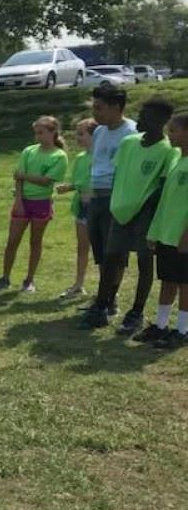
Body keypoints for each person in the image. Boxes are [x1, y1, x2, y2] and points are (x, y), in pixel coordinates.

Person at [84, 98, 179, 335]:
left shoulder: (168, 151)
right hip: (119, 211)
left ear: (160, 121)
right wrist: (118, 201)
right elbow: (119, 174)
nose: (139, 119)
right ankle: (102, 304)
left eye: (145, 115)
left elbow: (161, 185)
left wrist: (144, 209)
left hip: (144, 214)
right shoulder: (129, 143)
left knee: (144, 263)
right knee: (111, 258)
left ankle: (136, 312)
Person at [0, 116, 68, 293]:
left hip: (41, 203)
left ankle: (29, 279)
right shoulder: (28, 151)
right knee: (12, 240)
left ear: (53, 132)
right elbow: (17, 177)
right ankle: (5, 277)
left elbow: (46, 181)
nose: (37, 136)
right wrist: (18, 201)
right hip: (22, 201)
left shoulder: (59, 156)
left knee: (35, 241)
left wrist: (24, 177)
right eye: (36, 133)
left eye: (41, 132)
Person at [82, 87, 138, 324]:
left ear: (116, 107)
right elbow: (97, 163)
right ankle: (104, 298)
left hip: (117, 198)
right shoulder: (99, 132)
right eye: (93, 108)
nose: (95, 113)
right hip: (96, 196)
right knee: (101, 253)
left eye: (99, 108)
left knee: (114, 253)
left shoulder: (132, 132)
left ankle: (106, 303)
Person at [141, 112, 188, 348]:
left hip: (182, 236)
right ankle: (160, 326)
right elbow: (166, 202)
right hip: (166, 234)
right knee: (168, 280)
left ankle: (183, 329)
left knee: (185, 284)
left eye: (174, 130)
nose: (169, 135)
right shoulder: (177, 160)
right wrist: (154, 231)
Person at [55, 118, 98, 299]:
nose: (77, 138)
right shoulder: (80, 158)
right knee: (82, 247)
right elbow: (79, 182)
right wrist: (69, 187)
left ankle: (108, 290)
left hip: (98, 207)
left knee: (102, 250)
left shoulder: (102, 157)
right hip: (82, 207)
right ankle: (79, 284)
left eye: (81, 134)